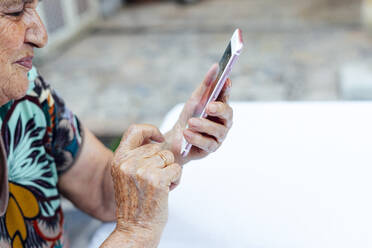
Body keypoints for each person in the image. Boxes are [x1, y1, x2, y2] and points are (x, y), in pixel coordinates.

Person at [0, 0, 233, 247]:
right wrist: (135, 234)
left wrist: (171, 149)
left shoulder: (28, 94)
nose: (41, 36)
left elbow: (99, 190)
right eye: (14, 11)